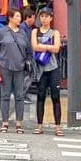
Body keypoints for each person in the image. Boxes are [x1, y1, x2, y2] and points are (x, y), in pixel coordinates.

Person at [0, 8, 30, 134]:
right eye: (17, 16)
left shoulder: (23, 33)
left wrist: (29, 64)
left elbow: (28, 50)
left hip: (20, 68)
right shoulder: (2, 32)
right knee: (5, 95)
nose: (19, 19)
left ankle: (19, 123)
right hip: (5, 67)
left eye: (20, 17)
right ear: (10, 18)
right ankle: (5, 123)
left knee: (20, 96)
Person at [32, 7, 64, 136]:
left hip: (53, 68)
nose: (44, 19)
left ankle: (58, 127)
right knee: (40, 96)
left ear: (51, 18)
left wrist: (42, 47)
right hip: (40, 69)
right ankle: (39, 126)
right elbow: (34, 46)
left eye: (46, 16)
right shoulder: (35, 31)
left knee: (56, 97)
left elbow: (57, 49)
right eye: (42, 16)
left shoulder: (55, 32)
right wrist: (48, 47)